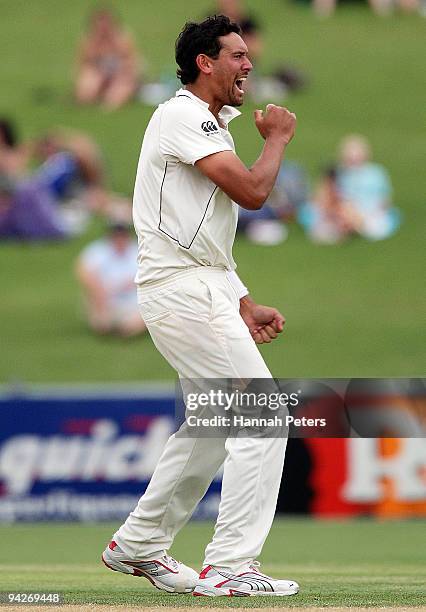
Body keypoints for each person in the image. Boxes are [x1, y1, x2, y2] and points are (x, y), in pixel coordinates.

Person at [101, 15, 299, 597]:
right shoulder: (182, 115)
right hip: (179, 289)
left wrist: (243, 300)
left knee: (214, 424)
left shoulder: (209, 124)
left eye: (248, 55)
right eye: (236, 56)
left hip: (199, 286)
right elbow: (254, 194)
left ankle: (138, 544)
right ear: (204, 64)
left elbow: (203, 234)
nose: (249, 65)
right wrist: (279, 140)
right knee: (261, 417)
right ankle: (231, 565)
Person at [75, 222, 146, 337]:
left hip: (134, 301)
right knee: (101, 323)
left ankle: (126, 328)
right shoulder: (98, 251)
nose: (119, 239)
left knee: (135, 322)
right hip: (105, 299)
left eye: (121, 235)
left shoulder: (138, 251)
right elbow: (83, 271)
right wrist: (99, 292)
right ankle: (107, 323)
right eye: (116, 236)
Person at [75, 7, 140, 110]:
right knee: (86, 93)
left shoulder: (122, 38)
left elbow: (132, 63)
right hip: (98, 73)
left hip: (120, 75)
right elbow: (84, 64)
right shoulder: (90, 40)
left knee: (115, 98)